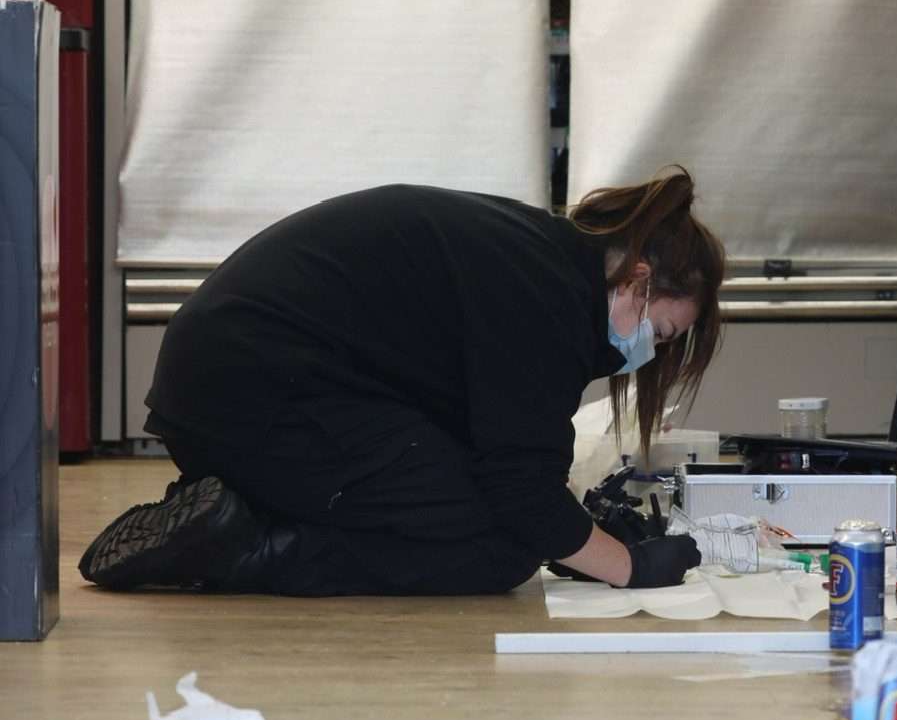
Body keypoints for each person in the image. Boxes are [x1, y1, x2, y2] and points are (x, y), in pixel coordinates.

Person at [79, 167, 724, 595]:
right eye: (660, 334)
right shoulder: (547, 298)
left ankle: (244, 507)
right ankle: (243, 544)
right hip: (255, 396)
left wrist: (585, 539)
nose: (645, 353)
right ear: (639, 280)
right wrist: (629, 568)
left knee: (497, 520)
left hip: (230, 387)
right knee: (497, 549)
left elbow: (505, 455)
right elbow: (521, 495)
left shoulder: (544, 260)